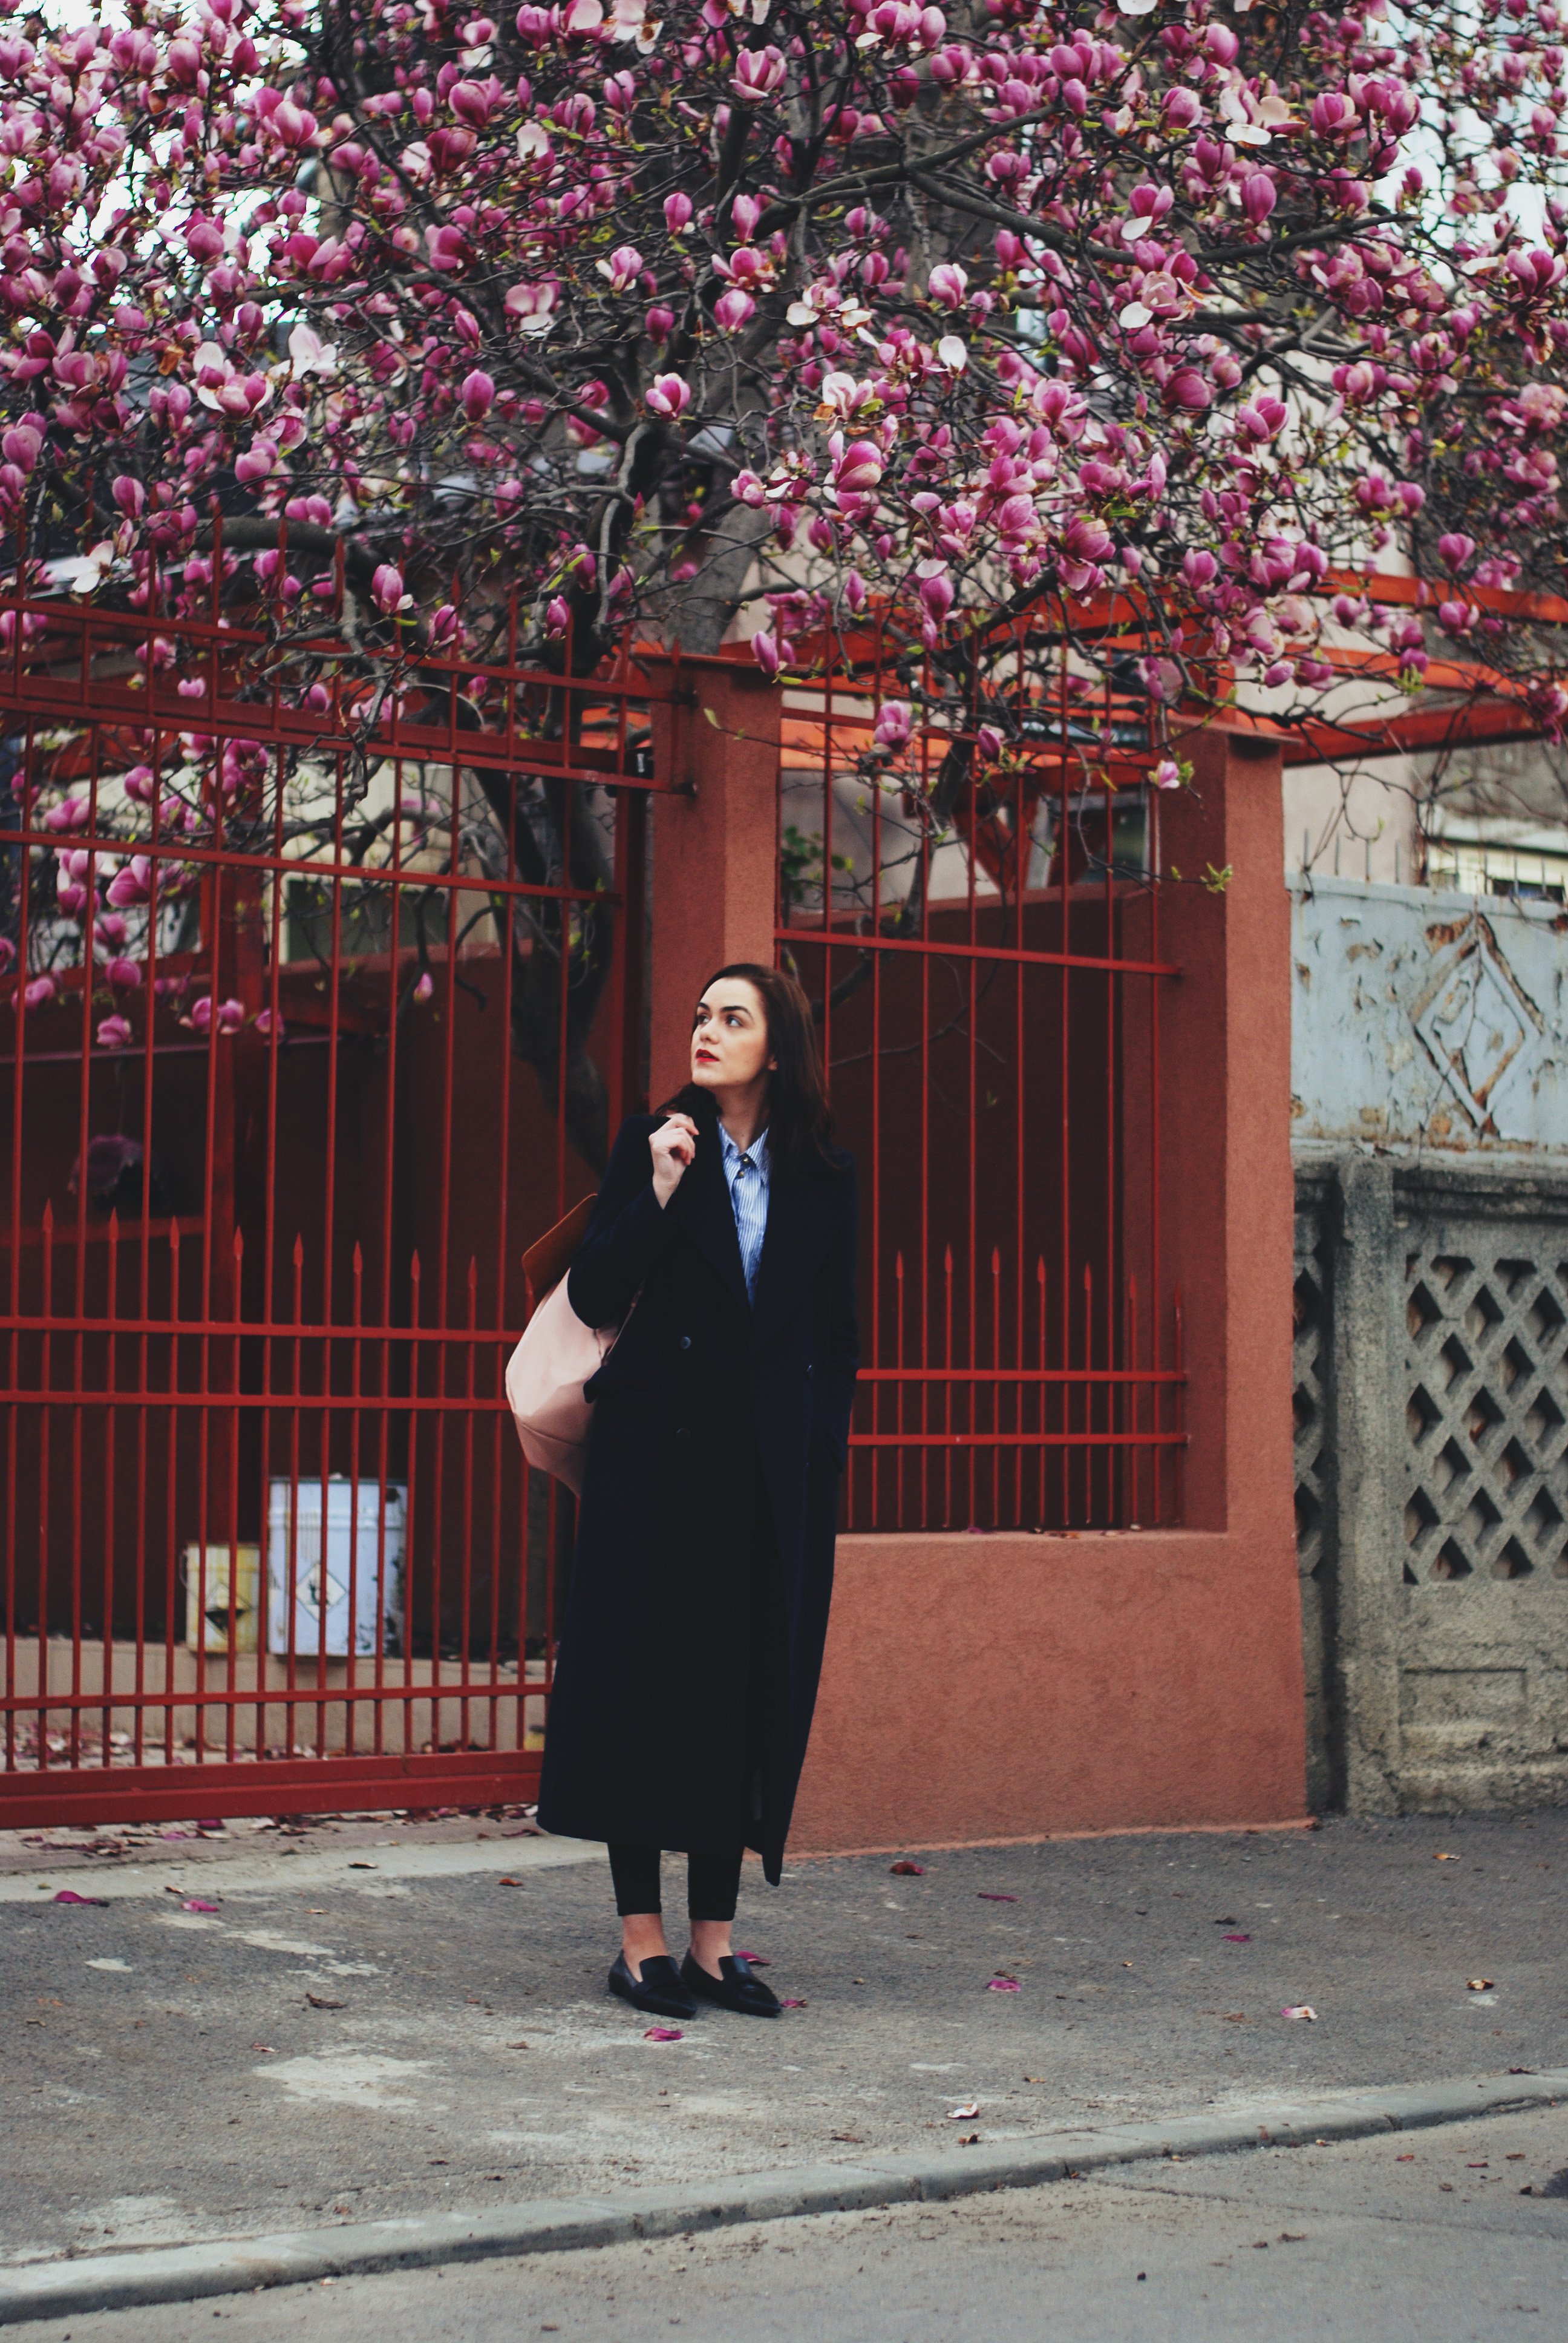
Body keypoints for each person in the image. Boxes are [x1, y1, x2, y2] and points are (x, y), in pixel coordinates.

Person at [535, 962, 858, 2020]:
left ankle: (715, 1947)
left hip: (765, 1471)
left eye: (733, 1018)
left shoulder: (822, 1174)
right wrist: (666, 1192)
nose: (706, 1032)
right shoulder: (654, 1143)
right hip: (654, 1465)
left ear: (780, 1046)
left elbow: (838, 1341)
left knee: (740, 1688)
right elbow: (592, 1290)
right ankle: (641, 1945)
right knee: (641, 1688)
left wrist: (818, 1454)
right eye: (700, 1015)